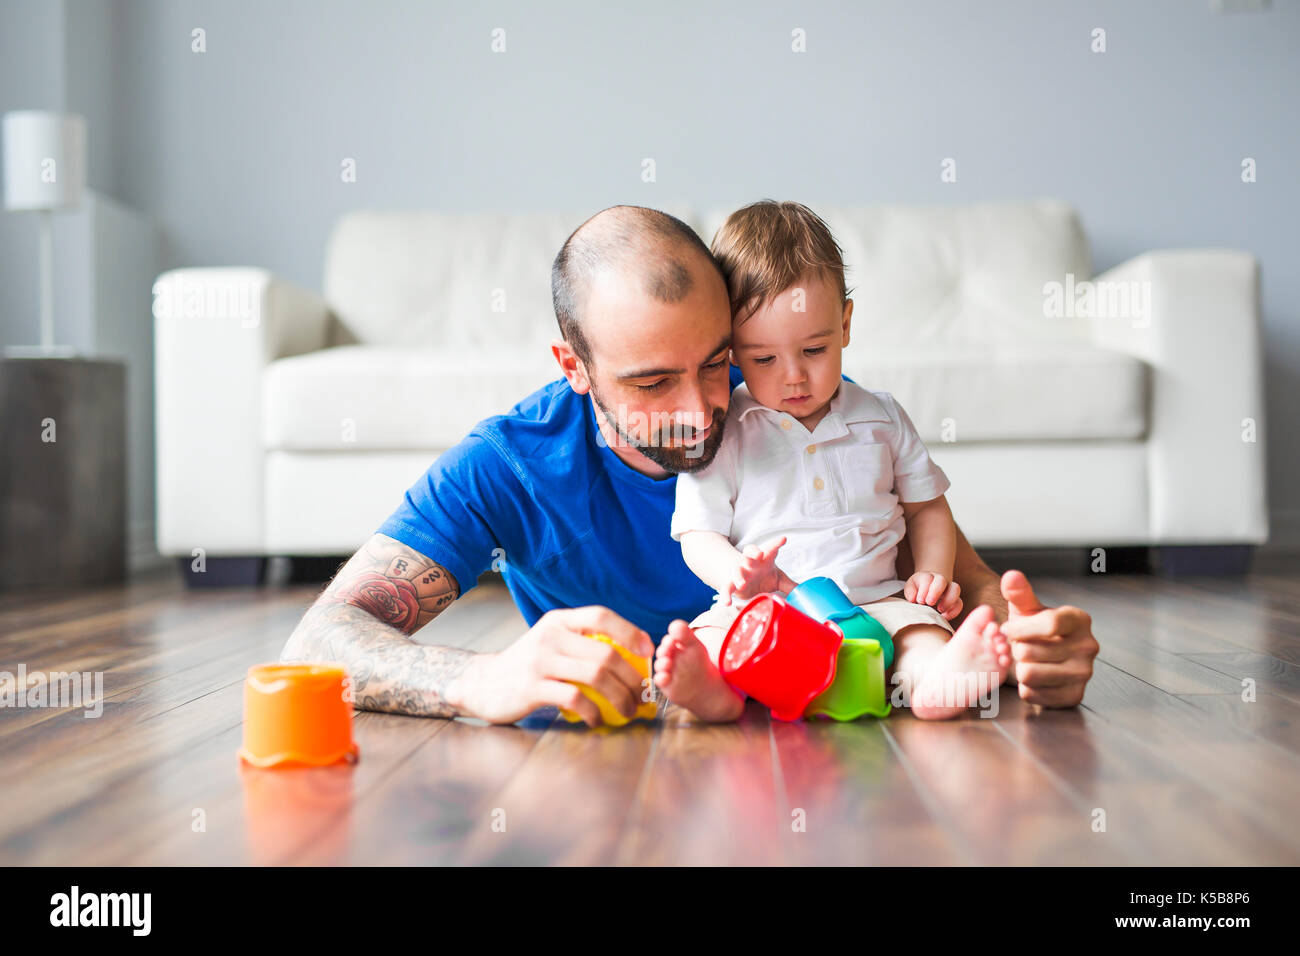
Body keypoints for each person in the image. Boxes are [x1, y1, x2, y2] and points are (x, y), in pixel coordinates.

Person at [280, 204, 1098, 726]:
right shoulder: (509, 466)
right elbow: (317, 643)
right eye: (650, 381)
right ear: (574, 367)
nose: (701, 406)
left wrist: (1028, 643)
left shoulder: (782, 395)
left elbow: (952, 569)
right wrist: (484, 681)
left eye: (715, 361)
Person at [664, 201, 1010, 721]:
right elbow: (697, 534)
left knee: (918, 637)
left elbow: (927, 509)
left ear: (845, 324)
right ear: (732, 350)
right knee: (716, 637)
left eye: (814, 350)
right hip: (766, 607)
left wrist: (933, 576)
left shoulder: (882, 417)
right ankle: (711, 692)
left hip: (875, 601)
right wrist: (736, 574)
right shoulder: (726, 429)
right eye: (763, 359)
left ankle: (937, 683)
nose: (794, 377)